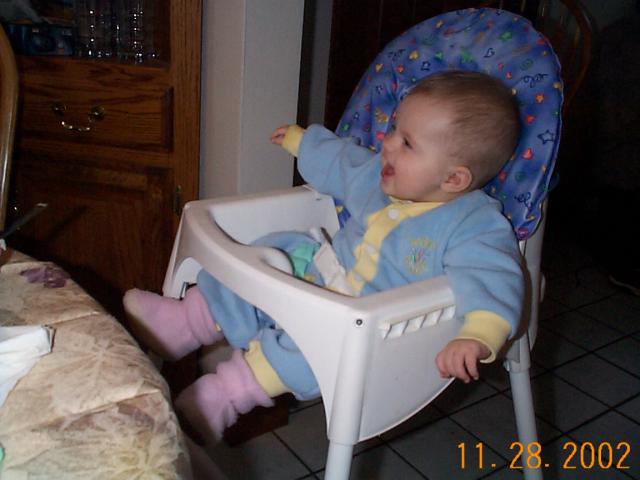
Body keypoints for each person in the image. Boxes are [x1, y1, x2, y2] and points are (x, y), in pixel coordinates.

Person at [123, 70, 524, 443]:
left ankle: (222, 397)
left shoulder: (474, 223)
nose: (387, 143)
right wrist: (303, 143)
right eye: (393, 130)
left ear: (454, 178)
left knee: (308, 355)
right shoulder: (379, 177)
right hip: (321, 271)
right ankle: (185, 323)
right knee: (277, 250)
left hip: (360, 327)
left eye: (407, 143)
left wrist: (478, 335)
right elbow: (344, 163)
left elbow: (493, 276)